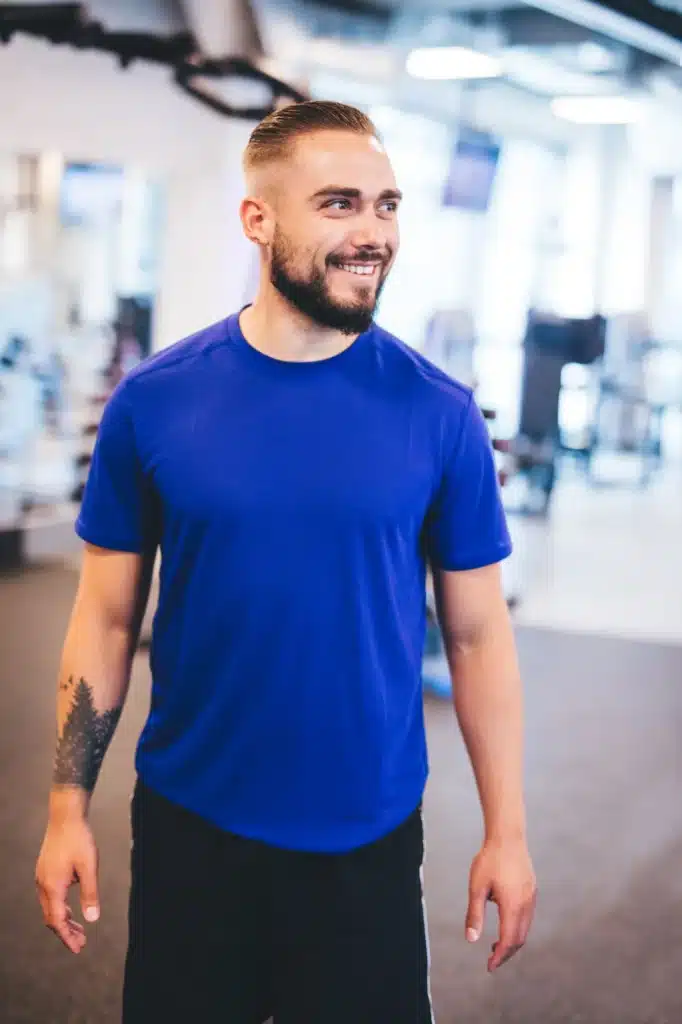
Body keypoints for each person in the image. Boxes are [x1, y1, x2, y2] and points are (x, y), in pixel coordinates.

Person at [35, 100, 536, 1023]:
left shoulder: (439, 412)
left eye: (387, 205)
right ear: (257, 220)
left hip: (367, 839)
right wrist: (69, 807)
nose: (373, 232)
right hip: (194, 828)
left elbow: (475, 637)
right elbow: (105, 618)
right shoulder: (153, 404)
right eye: (339, 204)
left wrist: (507, 829)